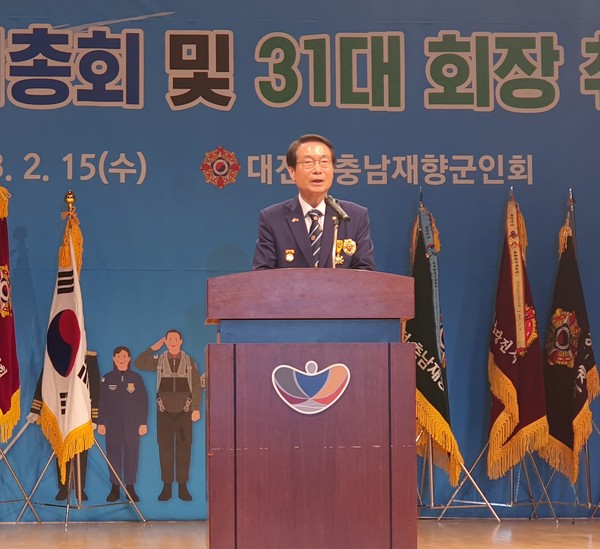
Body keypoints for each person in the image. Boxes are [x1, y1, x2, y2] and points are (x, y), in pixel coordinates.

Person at [252, 134, 375, 270]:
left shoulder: (354, 216)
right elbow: (262, 275)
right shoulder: (272, 218)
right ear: (292, 172)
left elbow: (365, 273)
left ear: (333, 170)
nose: (317, 170)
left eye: (324, 162)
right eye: (308, 163)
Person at [134, 329, 201, 502]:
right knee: (165, 448)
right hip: (163, 412)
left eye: (175, 339)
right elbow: (139, 362)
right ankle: (167, 487)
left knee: (184, 449)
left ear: (181, 341)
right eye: (169, 339)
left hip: (184, 413)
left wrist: (195, 408)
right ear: (165, 341)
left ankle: (183, 486)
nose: (172, 341)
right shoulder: (159, 360)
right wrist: (153, 348)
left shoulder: (189, 361)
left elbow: (195, 384)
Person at [28, 350, 100, 502]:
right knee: (60, 450)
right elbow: (44, 382)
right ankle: (64, 487)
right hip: (60, 410)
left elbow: (95, 385)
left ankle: (80, 488)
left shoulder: (88, 357)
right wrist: (36, 408)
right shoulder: (54, 356)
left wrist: (94, 416)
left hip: (81, 412)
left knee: (81, 451)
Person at [97, 346, 148, 503]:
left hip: (132, 424)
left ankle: (130, 488)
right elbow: (101, 402)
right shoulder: (107, 379)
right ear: (113, 359)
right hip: (113, 424)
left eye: (124, 356)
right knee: (113, 455)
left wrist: (143, 423)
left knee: (132, 455)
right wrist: (101, 422)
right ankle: (115, 488)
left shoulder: (136, 378)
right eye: (118, 356)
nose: (121, 358)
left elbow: (143, 402)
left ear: (129, 358)